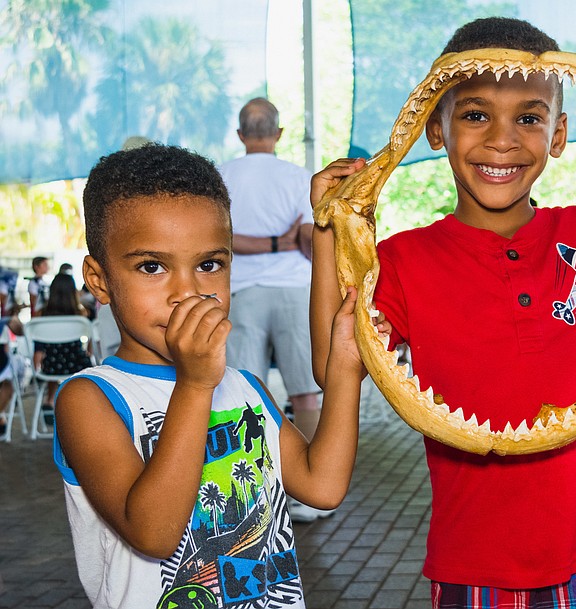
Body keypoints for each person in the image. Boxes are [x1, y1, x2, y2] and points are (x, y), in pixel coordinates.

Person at [311, 17, 576, 607]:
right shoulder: (403, 261)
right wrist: (328, 229)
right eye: (474, 114)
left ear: (558, 133)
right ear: (434, 130)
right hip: (477, 557)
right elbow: (330, 363)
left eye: (529, 117)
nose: (501, 138)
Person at [55, 144, 377, 608]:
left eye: (209, 265)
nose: (187, 291)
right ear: (100, 280)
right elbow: (153, 533)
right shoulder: (91, 399)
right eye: (152, 267)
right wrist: (196, 383)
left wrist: (345, 367)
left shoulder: (244, 387)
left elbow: (321, 486)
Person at [218, 98, 327, 523]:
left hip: (241, 290)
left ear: (241, 135)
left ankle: (252, 495)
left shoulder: (221, 177)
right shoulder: (299, 177)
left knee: (245, 391)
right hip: (293, 289)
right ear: (279, 134)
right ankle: (309, 491)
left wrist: (258, 243)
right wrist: (282, 242)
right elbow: (308, 239)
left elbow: (221, 239)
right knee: (305, 390)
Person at [33, 272, 93, 423]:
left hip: (51, 365)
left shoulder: (42, 315)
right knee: (77, 361)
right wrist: (88, 352)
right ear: (73, 292)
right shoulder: (81, 314)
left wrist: (36, 366)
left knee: (53, 359)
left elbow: (39, 347)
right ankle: (79, 408)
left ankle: (49, 401)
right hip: (78, 364)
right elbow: (92, 338)